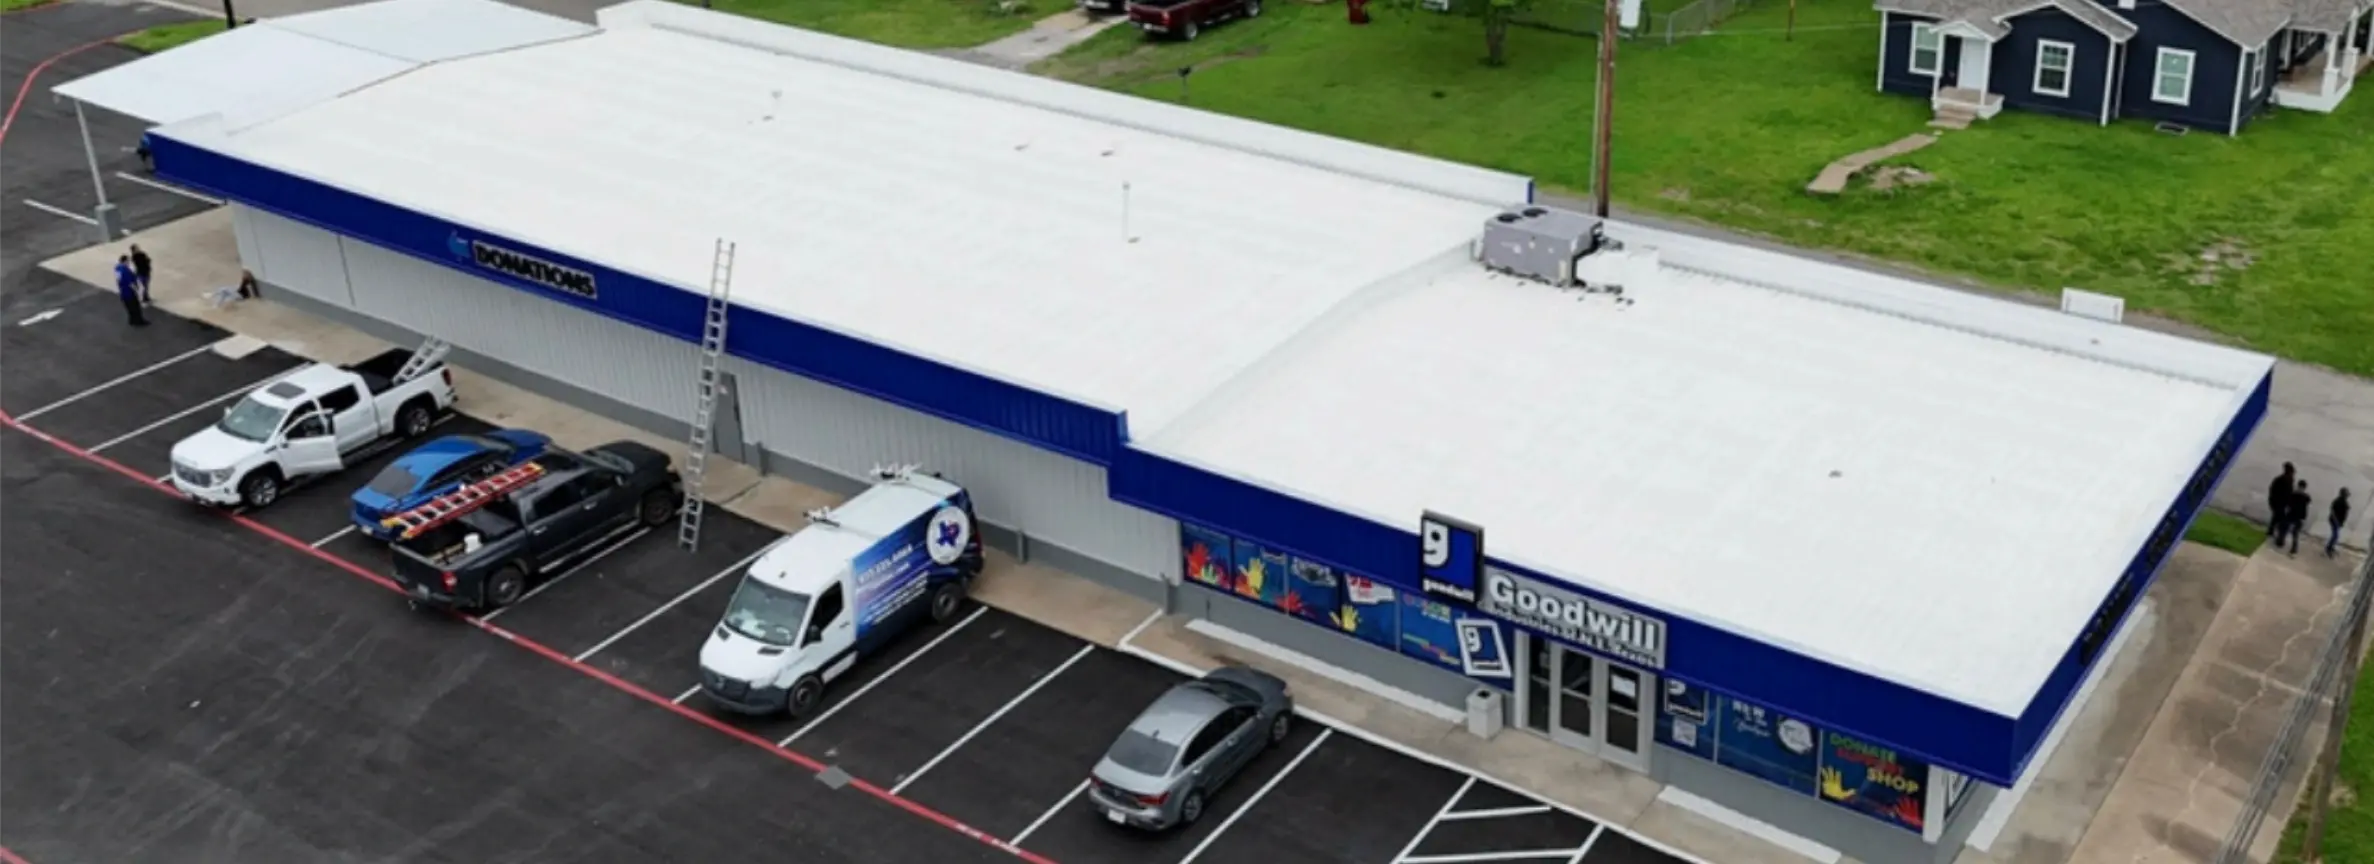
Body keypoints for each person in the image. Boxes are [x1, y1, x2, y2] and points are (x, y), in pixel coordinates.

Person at [115, 256, 147, 327]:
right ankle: (139, 321)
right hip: (129, 293)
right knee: (135, 308)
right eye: (128, 261)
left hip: (123, 292)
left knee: (129, 308)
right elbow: (131, 283)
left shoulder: (117, 268)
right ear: (125, 261)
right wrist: (137, 291)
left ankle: (132, 320)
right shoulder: (125, 270)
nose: (129, 263)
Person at [2285, 480, 2314, 556]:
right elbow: (2308, 506)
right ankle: (2292, 548)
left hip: (2294, 516)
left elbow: (2288, 504)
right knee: (2292, 531)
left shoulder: (2294, 494)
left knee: (2294, 532)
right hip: (2297, 516)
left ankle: (2293, 549)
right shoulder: (2306, 497)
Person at [2268, 463, 2296, 537]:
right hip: (2279, 502)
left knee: (2276, 517)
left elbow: (2272, 489)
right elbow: (2289, 493)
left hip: (2279, 502)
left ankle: (2271, 531)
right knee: (2280, 518)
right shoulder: (2285, 480)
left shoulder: (2283, 479)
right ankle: (2278, 535)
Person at [2330, 489, 2354, 559]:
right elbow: (2332, 511)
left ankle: (2331, 547)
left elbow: (2345, 512)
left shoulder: (2344, 502)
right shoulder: (2338, 501)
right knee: (2335, 535)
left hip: (2338, 521)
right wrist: (2336, 520)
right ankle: (2329, 548)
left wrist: (2341, 522)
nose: (2347, 496)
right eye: (2346, 494)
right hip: (2335, 521)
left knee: (2335, 535)